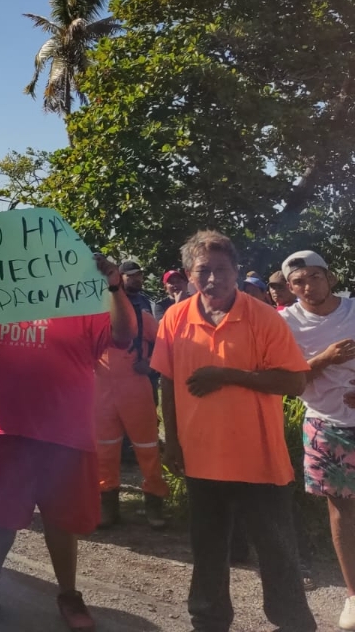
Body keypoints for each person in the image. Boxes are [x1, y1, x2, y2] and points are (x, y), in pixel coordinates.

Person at [0, 255, 137, 630]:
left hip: (63, 430)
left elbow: (124, 335)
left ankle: (69, 595)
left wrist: (114, 286)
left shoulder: (79, 300)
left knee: (60, 519)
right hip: (2, 428)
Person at [152, 231, 316, 632]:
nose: (212, 279)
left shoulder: (261, 316)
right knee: (207, 551)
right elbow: (169, 383)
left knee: (276, 553)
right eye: (203, 270)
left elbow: (293, 382)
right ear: (190, 275)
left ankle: (295, 624)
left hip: (259, 460)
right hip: (201, 456)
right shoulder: (175, 317)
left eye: (221, 269)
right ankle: (208, 623)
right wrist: (172, 440)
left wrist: (227, 376)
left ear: (236, 271)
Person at [279, 250, 355, 630]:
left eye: (315, 276)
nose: (309, 286)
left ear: (331, 277)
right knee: (343, 510)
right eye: (299, 282)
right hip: (327, 423)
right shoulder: (286, 323)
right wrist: (323, 358)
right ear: (290, 289)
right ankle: (353, 597)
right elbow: (286, 382)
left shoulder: (354, 310)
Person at [94, 301, 168, 530]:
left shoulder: (141, 317)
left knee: (148, 448)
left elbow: (165, 344)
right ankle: (108, 503)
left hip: (136, 389)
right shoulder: (90, 317)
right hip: (100, 390)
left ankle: (154, 501)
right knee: (104, 450)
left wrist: (151, 365)